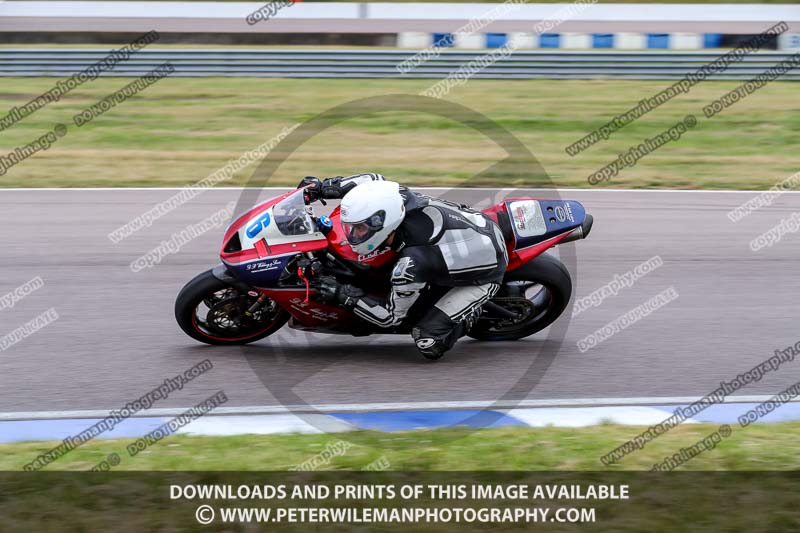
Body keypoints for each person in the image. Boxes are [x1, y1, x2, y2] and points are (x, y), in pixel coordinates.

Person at [298, 173, 508, 359]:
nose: (352, 234)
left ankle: (472, 314)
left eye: (360, 228)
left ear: (384, 225)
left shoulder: (412, 265)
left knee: (427, 341)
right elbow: (370, 180)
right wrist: (324, 188)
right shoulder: (395, 195)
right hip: (470, 231)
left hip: (485, 273)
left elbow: (390, 318)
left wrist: (343, 295)